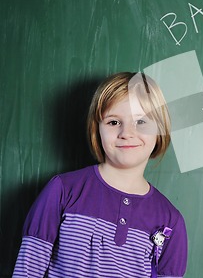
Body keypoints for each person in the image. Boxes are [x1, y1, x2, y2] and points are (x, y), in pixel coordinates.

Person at [13, 72, 188, 278]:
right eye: (113, 122)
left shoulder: (170, 220)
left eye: (141, 122)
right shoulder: (63, 190)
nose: (126, 133)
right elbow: (27, 271)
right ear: (97, 129)